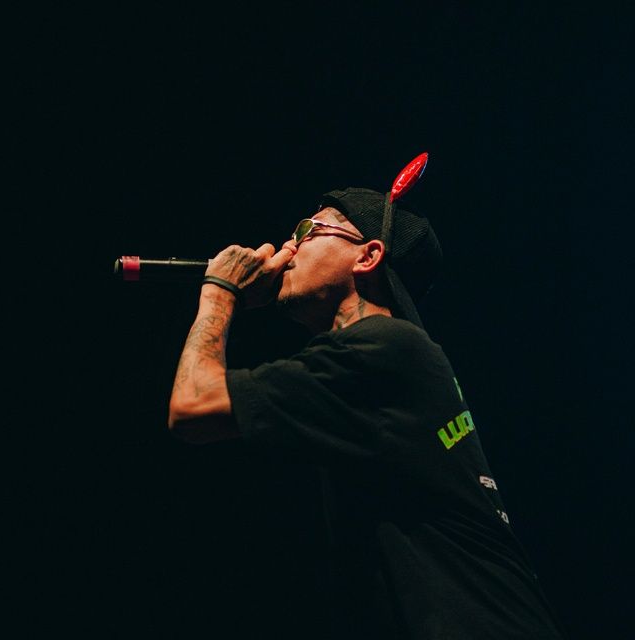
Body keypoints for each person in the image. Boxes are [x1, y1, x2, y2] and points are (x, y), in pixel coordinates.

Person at [167, 164, 567, 639]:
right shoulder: (388, 357)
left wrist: (220, 293)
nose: (288, 247)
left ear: (368, 255)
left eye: (308, 230)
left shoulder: (382, 348)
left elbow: (194, 406)